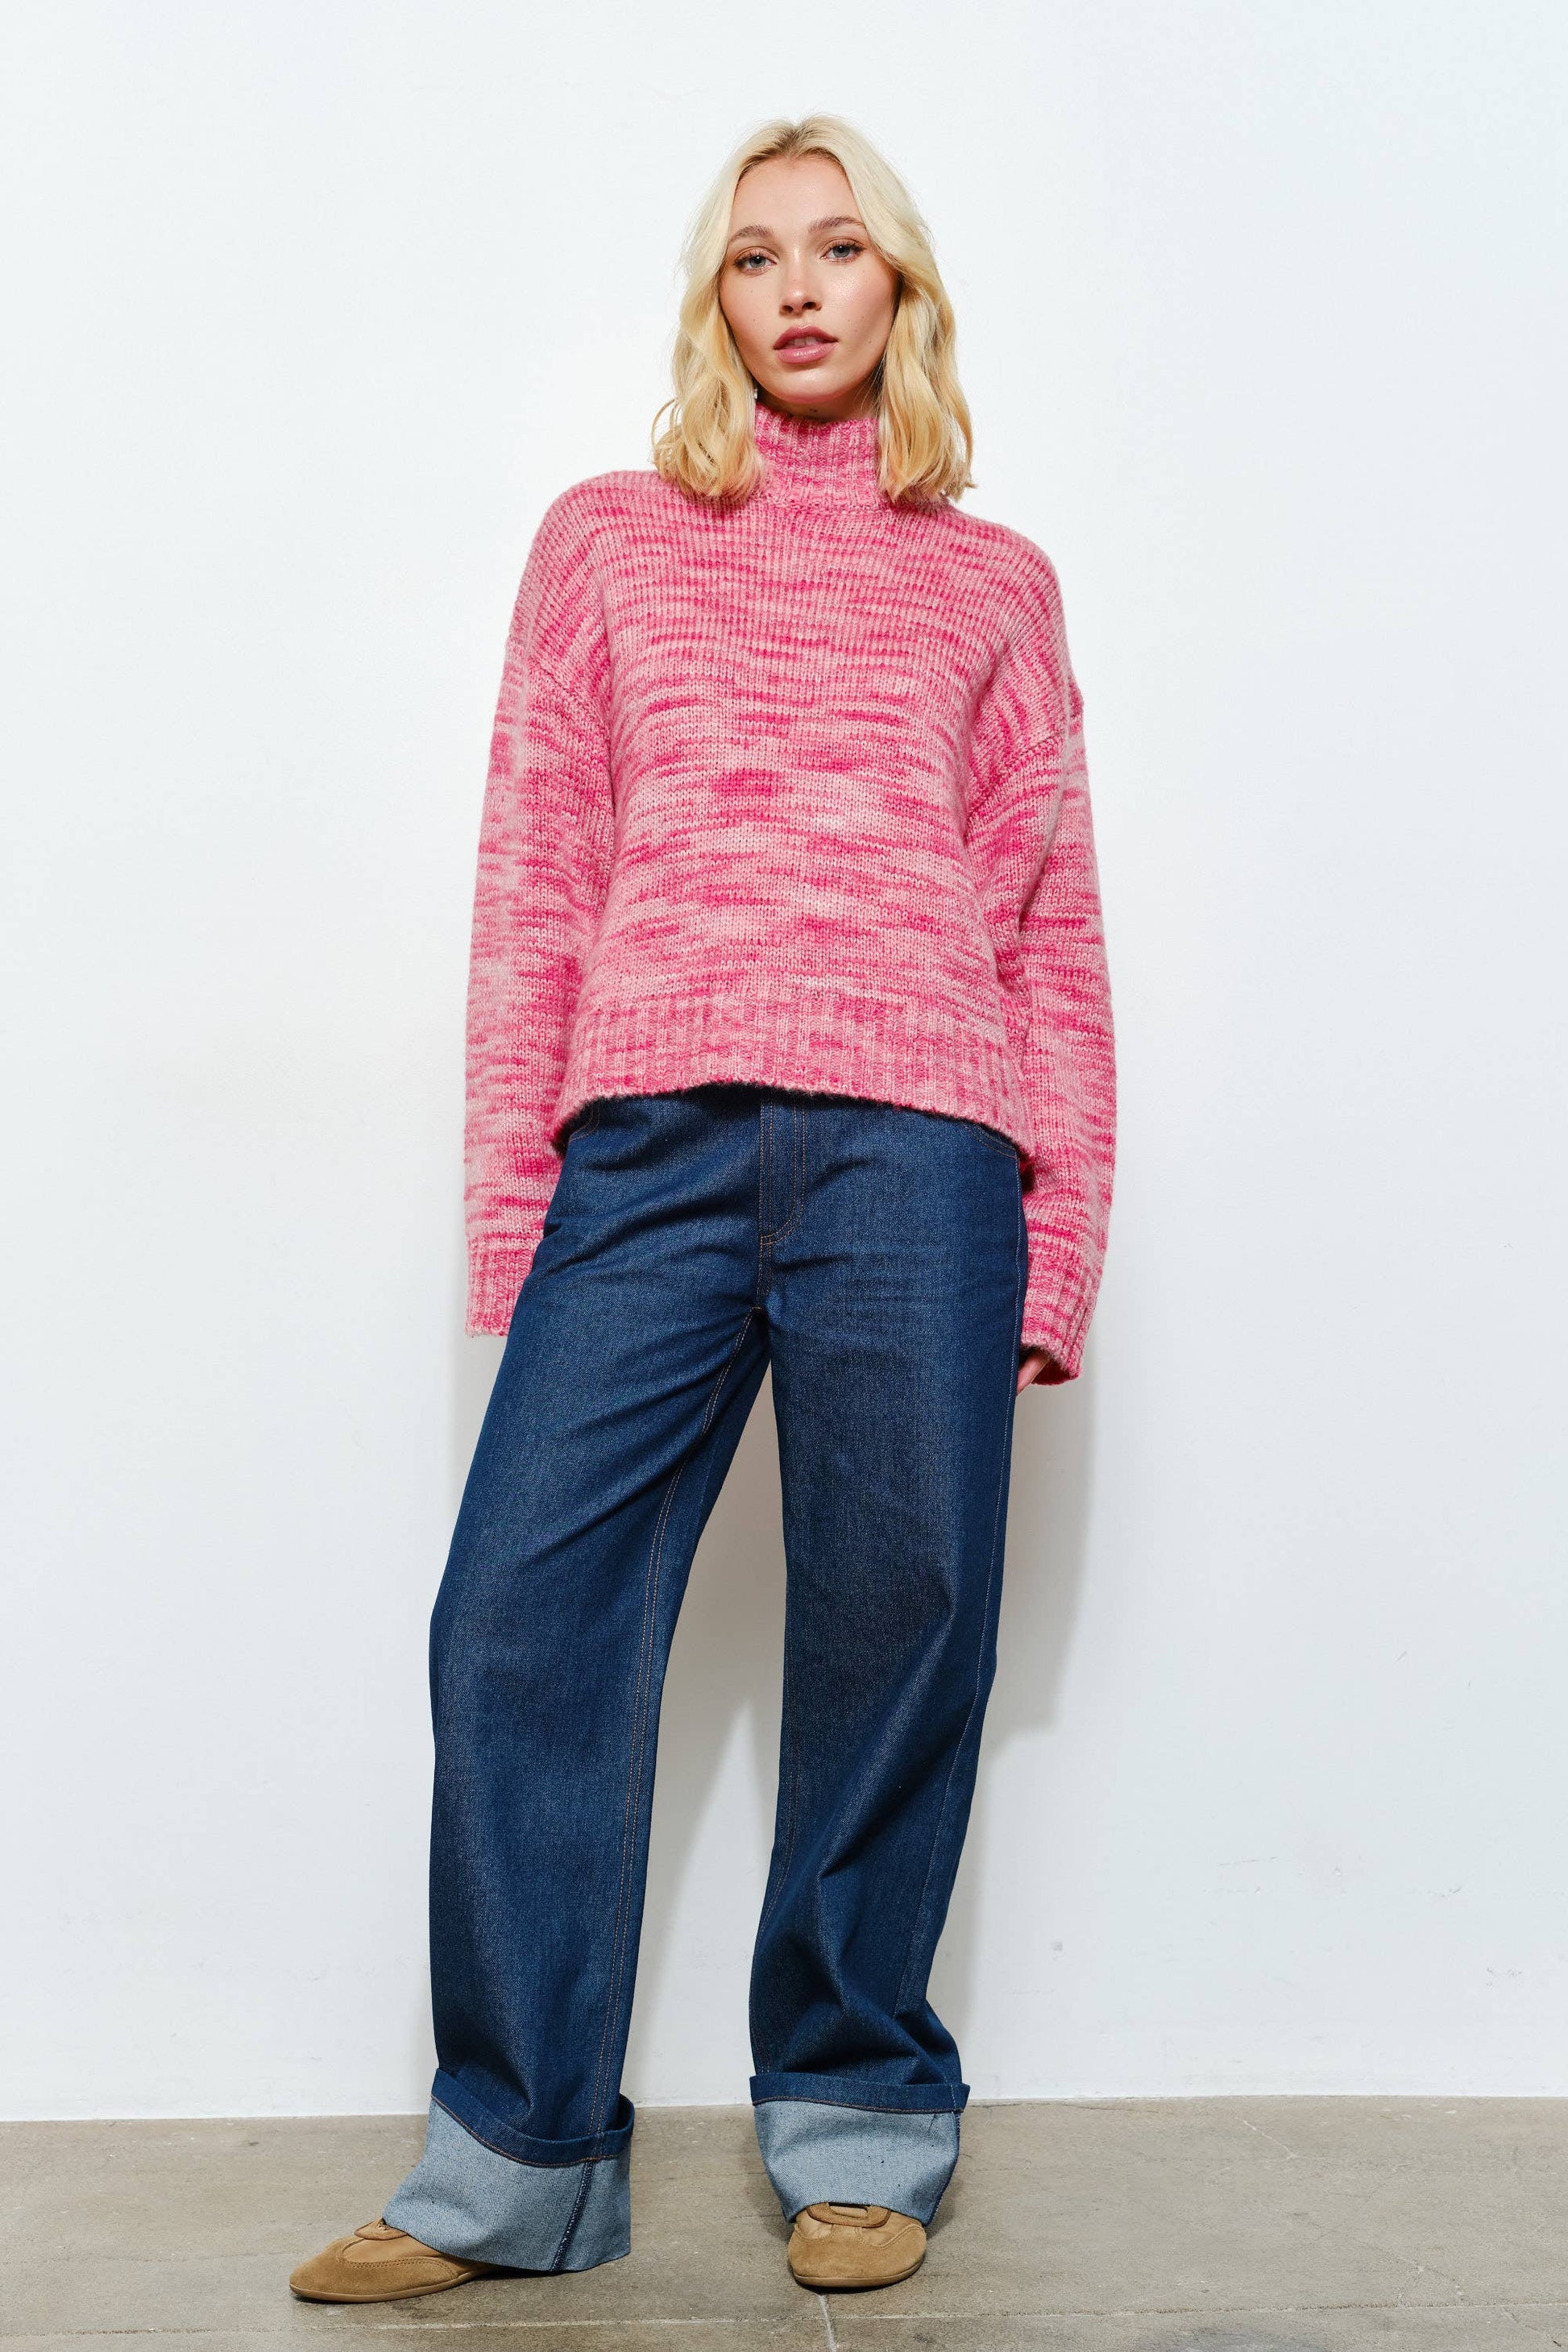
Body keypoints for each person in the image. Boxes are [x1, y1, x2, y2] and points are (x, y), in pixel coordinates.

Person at [289, 110, 1116, 2306]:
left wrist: (1055, 1240)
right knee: (516, 1618)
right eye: (756, 256)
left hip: (921, 1146)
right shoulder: (607, 543)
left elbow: (1049, 924)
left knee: (899, 1620)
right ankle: (518, 2162)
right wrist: (515, 1216)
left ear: (901, 288)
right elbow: (535, 875)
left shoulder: (996, 582)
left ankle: (860, 2116)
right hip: (645, 1150)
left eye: (840, 248)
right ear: (714, 299)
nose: (799, 287)